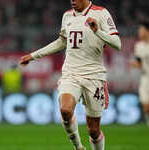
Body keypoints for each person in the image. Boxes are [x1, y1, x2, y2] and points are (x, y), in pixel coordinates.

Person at [20, 0, 121, 149]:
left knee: (93, 130)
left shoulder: (101, 13)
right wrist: (34, 55)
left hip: (94, 75)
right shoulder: (67, 16)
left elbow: (117, 44)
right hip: (70, 73)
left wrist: (97, 31)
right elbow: (61, 42)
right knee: (65, 110)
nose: (72, 1)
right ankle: (78, 147)